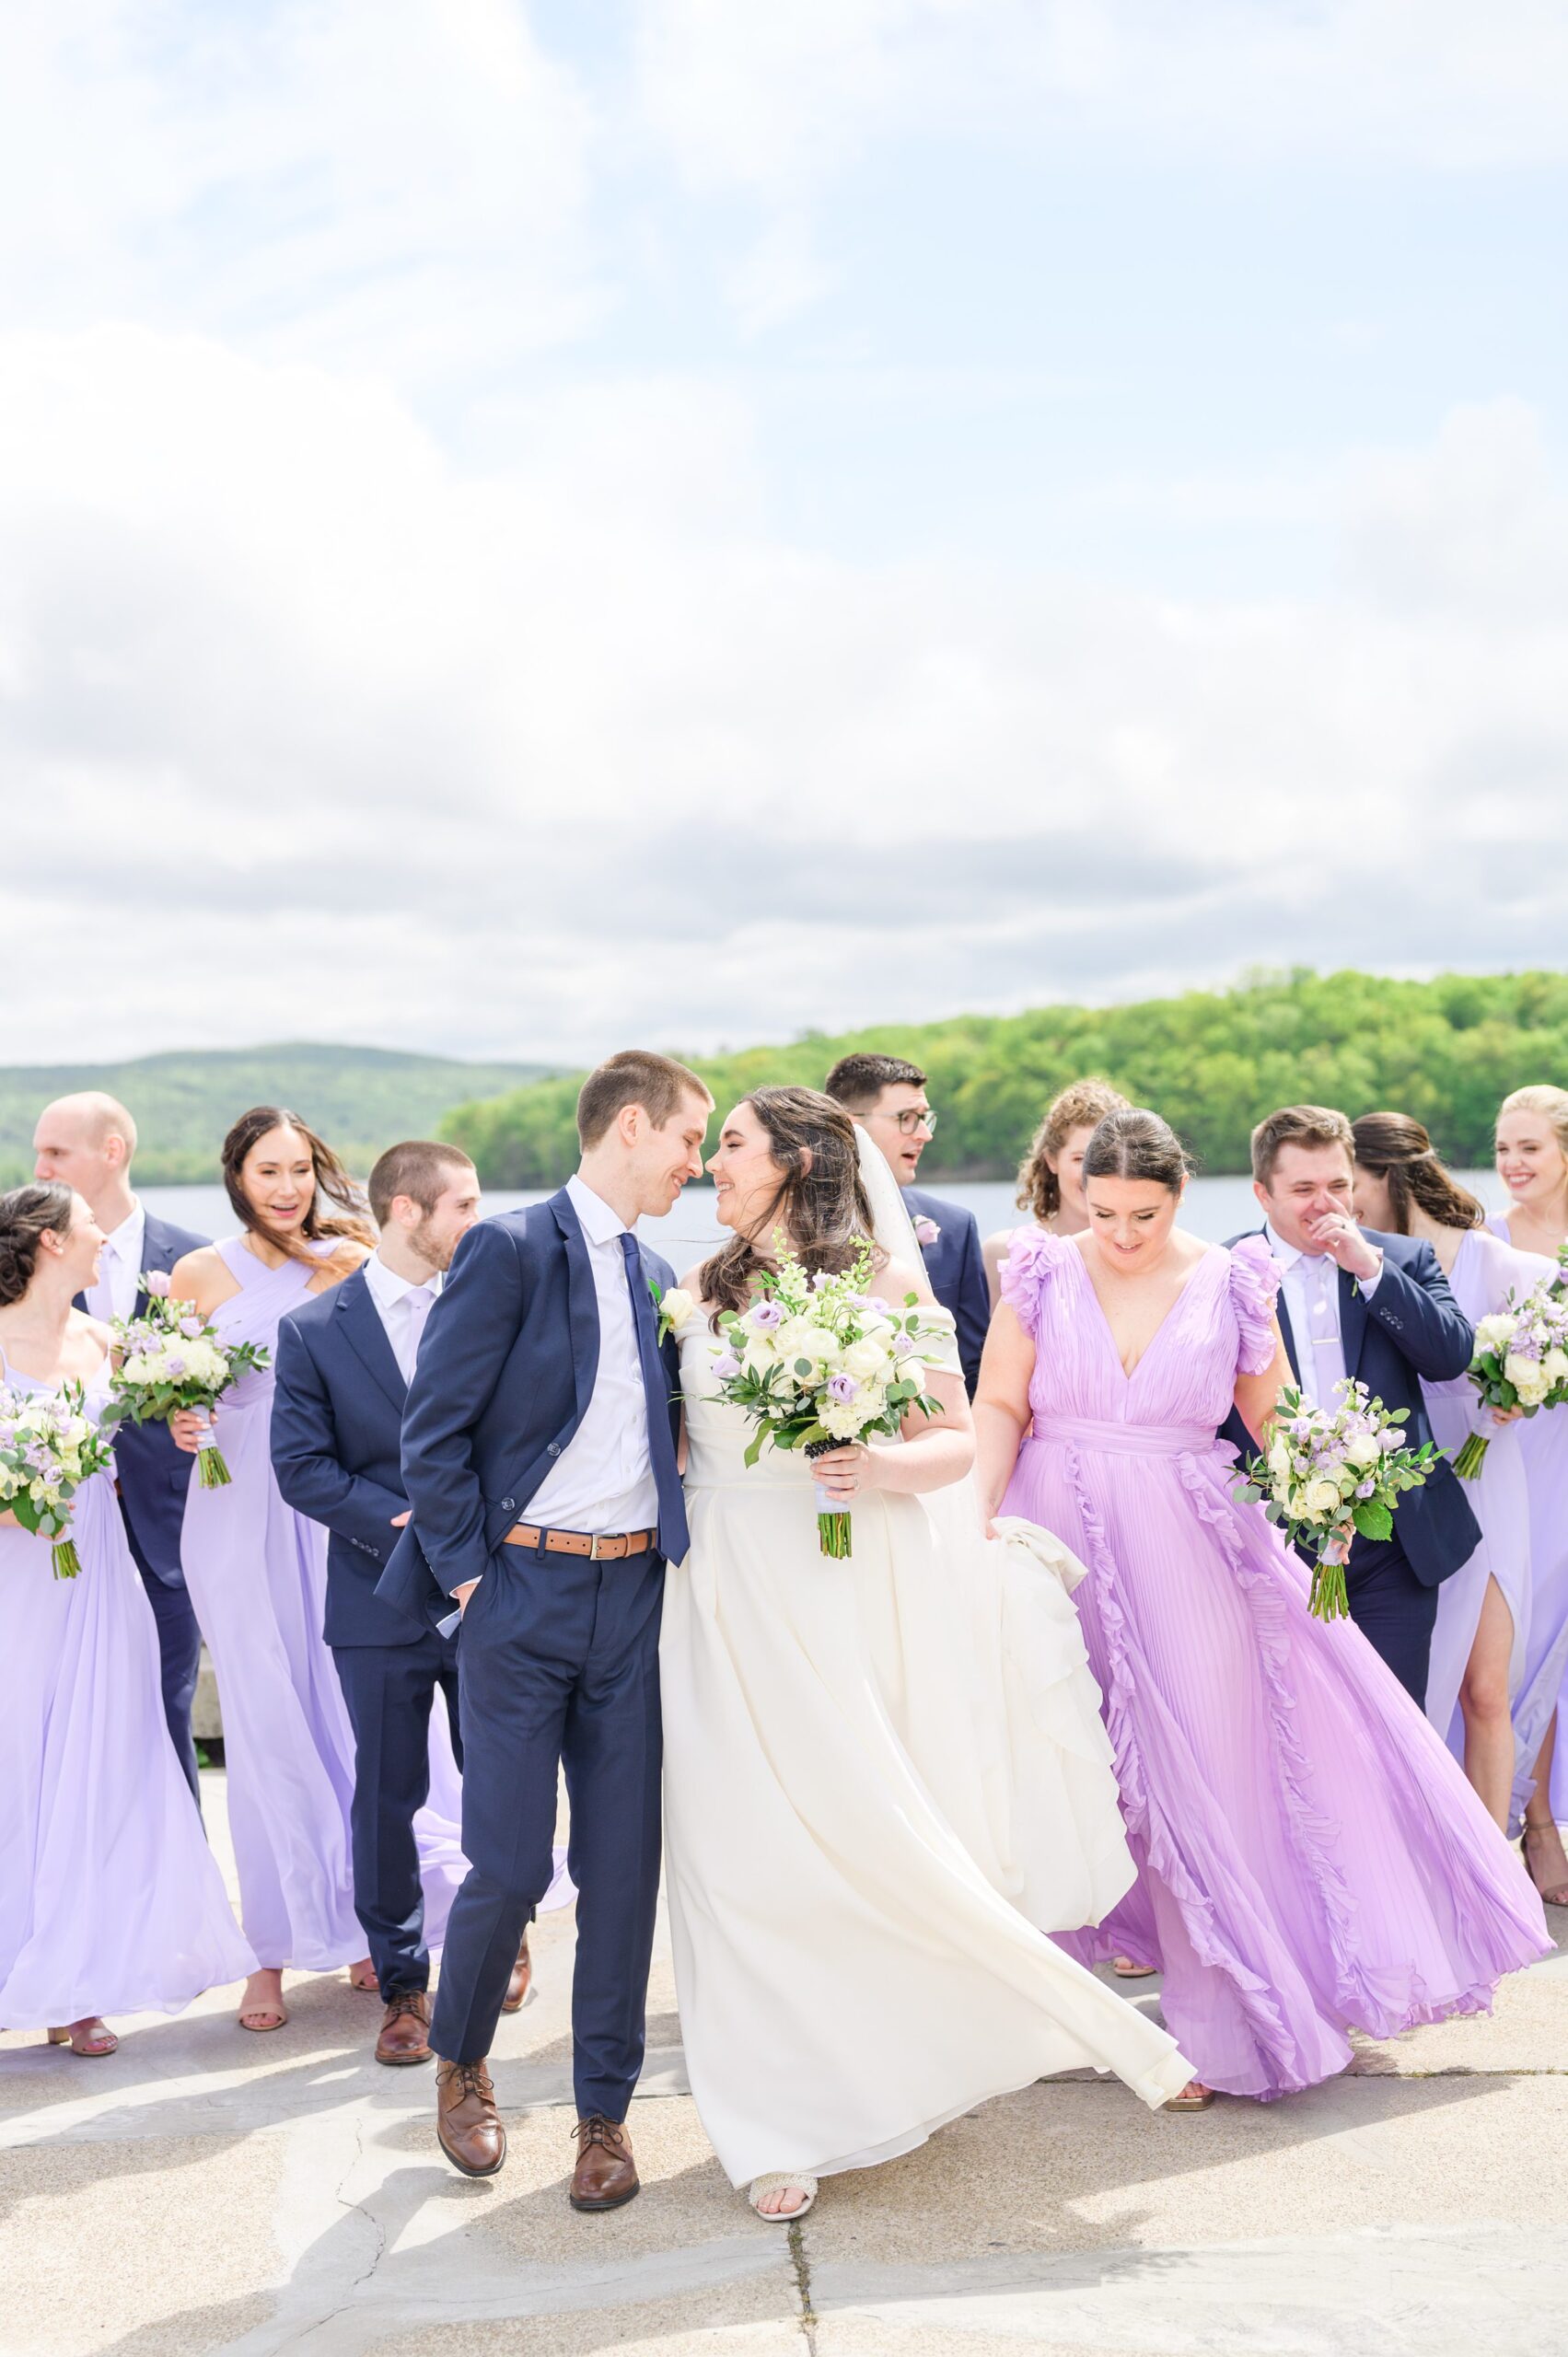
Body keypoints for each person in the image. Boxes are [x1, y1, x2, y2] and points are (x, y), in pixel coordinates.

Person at [661, 1086, 1193, 2223]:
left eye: (734, 1145)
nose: (713, 1160)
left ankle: (882, 2065)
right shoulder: (693, 1290)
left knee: (861, 1839)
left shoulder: (888, 1287)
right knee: (730, 1851)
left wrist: (873, 1466)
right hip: (716, 1593)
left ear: (796, 1160)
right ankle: (768, 2123)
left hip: (840, 1593)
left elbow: (952, 1440)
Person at [976, 1107, 1551, 2106]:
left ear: (1180, 1195)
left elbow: (1272, 1414)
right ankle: (1063, 2011)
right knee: (1065, 1761)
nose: (1119, 1235)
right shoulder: (1037, 1269)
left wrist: (1321, 1488)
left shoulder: (1227, 1277)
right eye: (1102, 1211)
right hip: (1051, 1536)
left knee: (1206, 1767)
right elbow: (999, 1404)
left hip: (1188, 1540)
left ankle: (1222, 2014)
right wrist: (972, 1522)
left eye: (1142, 1215)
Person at [380, 1051, 713, 2203]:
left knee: (621, 1872)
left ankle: (604, 2120)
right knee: (509, 1864)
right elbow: (435, 1430)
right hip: (519, 1598)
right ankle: (462, 2058)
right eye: (685, 1140)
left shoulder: (661, 1271)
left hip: (632, 1601)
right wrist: (474, 1582)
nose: (695, 1165)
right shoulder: (509, 1249)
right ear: (631, 1126)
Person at [272, 1141, 517, 2067]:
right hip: (376, 1598)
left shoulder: (494, 1307)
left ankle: (499, 1946)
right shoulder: (312, 1330)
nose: (477, 1222)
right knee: (386, 1794)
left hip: (489, 1588)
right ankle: (403, 1985)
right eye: (462, 1204)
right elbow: (302, 1469)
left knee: (503, 1776)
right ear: (407, 1212)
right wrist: (407, 1522)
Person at [0, 1185, 254, 2058]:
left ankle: (78, 1981)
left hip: (103, 1575)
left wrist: (186, 1424)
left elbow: (144, 1439)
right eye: (86, 1226)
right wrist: (17, 1497)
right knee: (19, 1763)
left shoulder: (106, 1339)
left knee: (103, 1762)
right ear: (45, 1241)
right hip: (15, 1583)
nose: (104, 1235)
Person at [169, 1109, 407, 2034]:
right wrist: (179, 1422)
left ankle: (358, 1924)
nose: (286, 1186)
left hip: (327, 1511)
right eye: (267, 1169)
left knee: (345, 1717)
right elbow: (165, 1392)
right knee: (264, 1726)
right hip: (231, 1510)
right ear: (236, 1174)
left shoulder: (351, 1258)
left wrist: (336, 1268)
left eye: (300, 1169)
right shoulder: (197, 1274)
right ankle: (266, 1950)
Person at [1221, 1104, 1480, 1703]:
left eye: (1338, 1185)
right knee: (1294, 1723)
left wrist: (1368, 1268)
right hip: (1272, 1536)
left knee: (1394, 1723)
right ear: (1262, 1194)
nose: (1324, 1204)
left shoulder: (1400, 1259)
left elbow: (1449, 1358)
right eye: (1303, 1189)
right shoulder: (1222, 1270)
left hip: (1395, 1538)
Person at [1351, 1113, 1545, 1829]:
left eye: (1352, 1182)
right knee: (1416, 1687)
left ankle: (1494, 1859)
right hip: (1407, 1485)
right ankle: (1422, 1853)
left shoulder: (1493, 1261)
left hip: (1485, 1473)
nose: (1340, 1202)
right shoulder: (1359, 1264)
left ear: (1385, 1176)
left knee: (1486, 1689)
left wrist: (1519, 1390)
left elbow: (1540, 1334)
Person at [32, 1092, 208, 1798]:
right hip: (55, 1534)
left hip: (171, 1531)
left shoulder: (196, 1260)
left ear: (112, 1153)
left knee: (167, 1711)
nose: (39, 1166)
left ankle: (179, 1883)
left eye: (56, 1153)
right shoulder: (22, 1261)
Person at [1491, 1084, 1568, 1905]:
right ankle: (1534, 1823)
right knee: (1538, 1638)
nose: (1510, 1164)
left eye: (1530, 1149)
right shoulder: (1488, 1242)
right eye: (1503, 1148)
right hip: (1535, 1460)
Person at [822, 1053, 988, 1395]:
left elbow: (974, 1365)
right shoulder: (796, 1228)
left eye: (925, 1118)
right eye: (907, 1118)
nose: (924, 1134)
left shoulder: (956, 1227)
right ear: (848, 1123)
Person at [981, 1078, 1129, 1309]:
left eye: (1108, 1158)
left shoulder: (1139, 1252)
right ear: (1052, 1160)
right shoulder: (1003, 1252)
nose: (1093, 1173)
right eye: (1080, 1159)